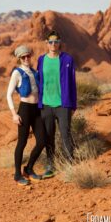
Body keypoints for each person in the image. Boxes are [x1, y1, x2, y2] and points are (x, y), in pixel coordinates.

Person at [37, 30, 77, 179]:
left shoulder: (67, 59)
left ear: (60, 43)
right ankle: (50, 165)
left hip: (63, 104)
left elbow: (72, 83)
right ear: (46, 44)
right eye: (51, 42)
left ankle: (69, 164)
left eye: (56, 42)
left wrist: (73, 105)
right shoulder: (41, 60)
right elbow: (38, 80)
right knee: (49, 136)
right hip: (46, 104)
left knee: (65, 134)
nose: (53, 44)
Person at [7, 45, 45, 186]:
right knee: (22, 143)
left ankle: (28, 168)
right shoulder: (17, 73)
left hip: (36, 110)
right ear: (19, 59)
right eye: (23, 57)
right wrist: (14, 114)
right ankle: (17, 174)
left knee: (41, 141)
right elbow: (9, 94)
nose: (26, 58)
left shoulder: (34, 72)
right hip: (24, 110)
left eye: (28, 55)